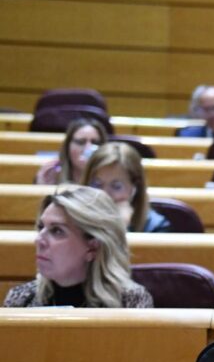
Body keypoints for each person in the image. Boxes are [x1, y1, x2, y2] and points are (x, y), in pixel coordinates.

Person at [4, 186, 153, 308]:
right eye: (41, 227)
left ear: (93, 247)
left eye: (57, 231)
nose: (39, 240)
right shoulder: (22, 300)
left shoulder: (131, 302)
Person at [81, 143, 171, 233]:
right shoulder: (72, 220)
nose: (104, 194)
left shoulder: (156, 227)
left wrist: (122, 227)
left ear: (135, 187)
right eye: (97, 184)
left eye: (116, 186)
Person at [35, 117, 107, 185]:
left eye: (95, 143)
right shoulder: (52, 175)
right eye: (80, 142)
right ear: (67, 146)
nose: (88, 148)